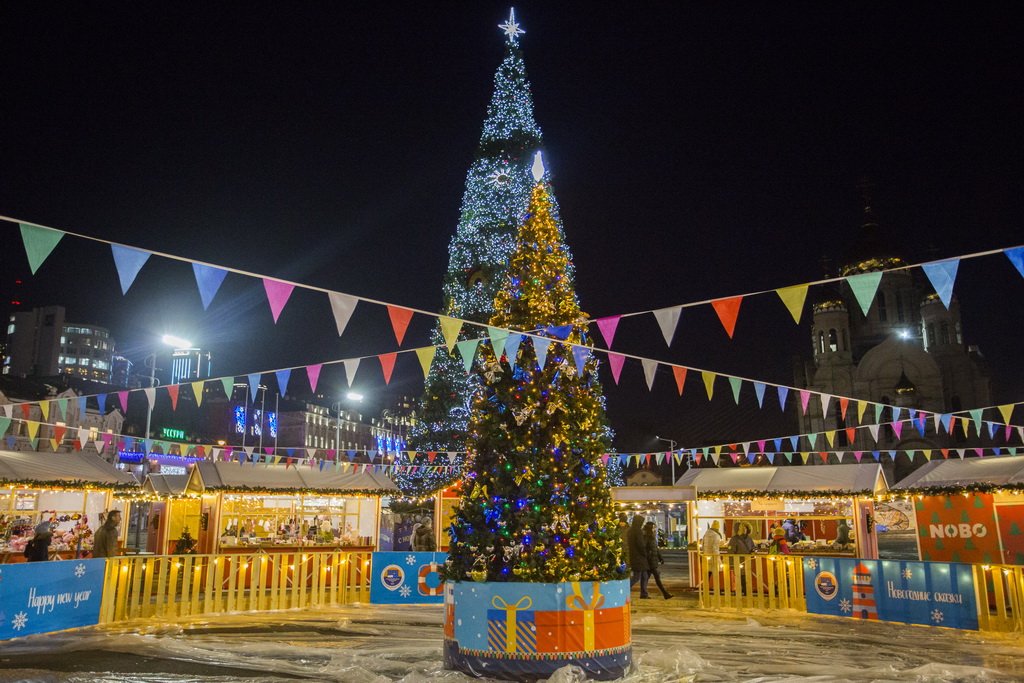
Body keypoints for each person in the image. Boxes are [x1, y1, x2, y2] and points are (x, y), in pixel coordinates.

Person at [642, 521, 673, 599]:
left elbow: (655, 549)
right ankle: (665, 594)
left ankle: (644, 594)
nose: (654, 529)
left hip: (652, 560)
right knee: (656, 578)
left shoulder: (651, 537)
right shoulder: (647, 537)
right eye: (653, 527)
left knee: (646, 578)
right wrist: (650, 557)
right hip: (650, 561)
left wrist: (660, 558)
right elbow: (647, 549)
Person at [626, 514, 649, 597]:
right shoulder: (638, 531)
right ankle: (626, 589)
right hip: (639, 557)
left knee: (644, 575)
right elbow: (641, 544)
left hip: (633, 555)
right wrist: (644, 553)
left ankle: (644, 593)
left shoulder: (630, 531)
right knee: (637, 576)